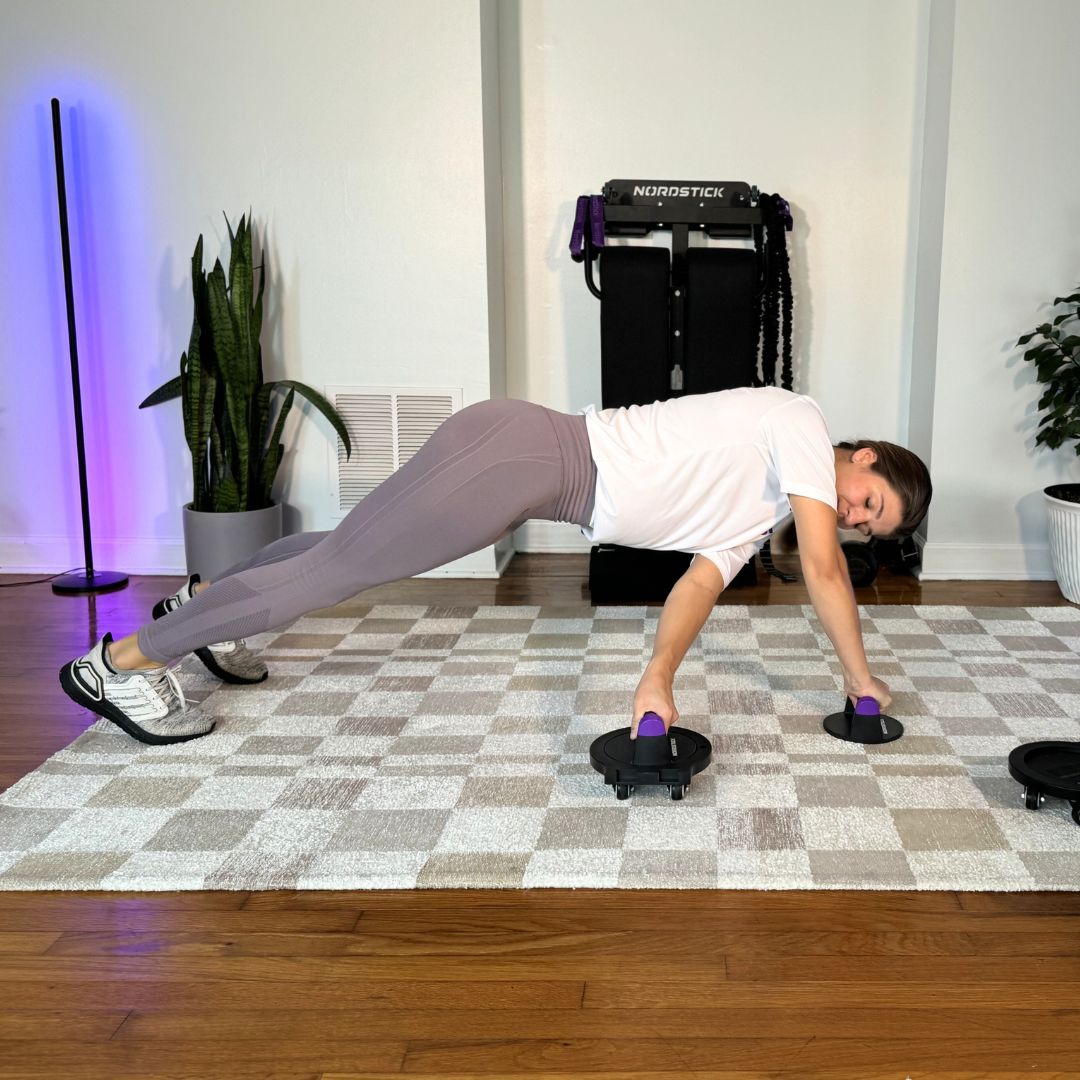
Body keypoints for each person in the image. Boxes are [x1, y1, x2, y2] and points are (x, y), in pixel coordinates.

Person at [59, 387, 931, 746]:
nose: (853, 520)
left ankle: (203, 605)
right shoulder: (802, 423)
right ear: (860, 458)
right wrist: (861, 677)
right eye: (870, 500)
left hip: (521, 465)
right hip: (531, 455)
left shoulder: (762, 506)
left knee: (337, 556)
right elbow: (821, 570)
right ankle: (124, 662)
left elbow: (695, 588)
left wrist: (655, 679)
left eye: (867, 525)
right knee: (337, 578)